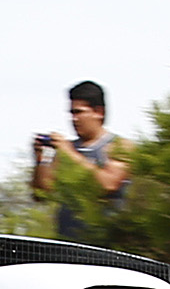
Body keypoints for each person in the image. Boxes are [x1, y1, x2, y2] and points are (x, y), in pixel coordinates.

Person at [30, 81, 131, 213]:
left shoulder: (120, 146)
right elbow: (42, 194)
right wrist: (40, 160)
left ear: (99, 112)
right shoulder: (66, 150)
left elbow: (108, 184)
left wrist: (70, 153)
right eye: (72, 113)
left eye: (79, 112)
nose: (74, 119)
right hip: (67, 232)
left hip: (103, 231)